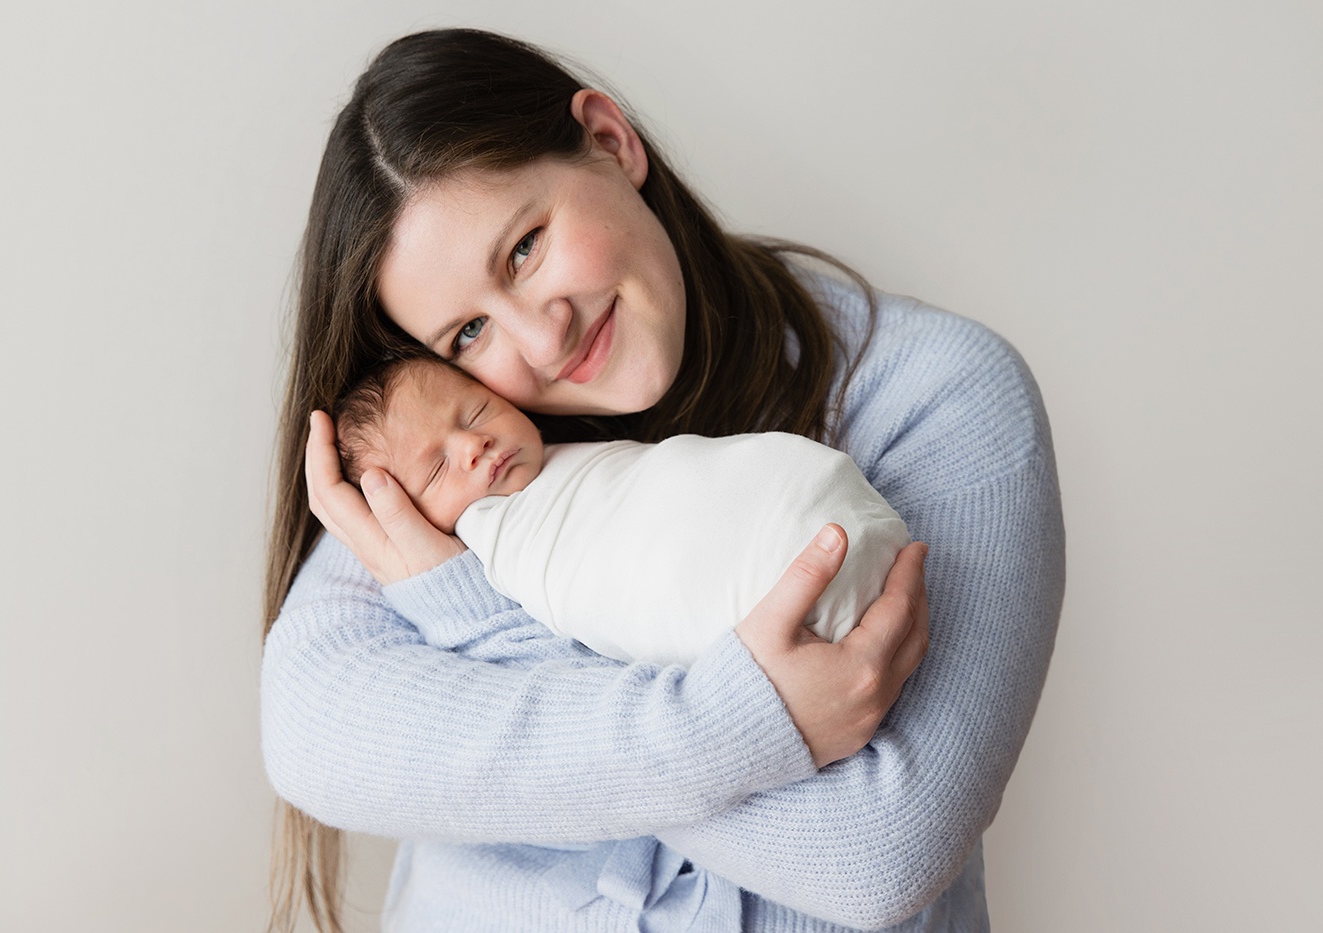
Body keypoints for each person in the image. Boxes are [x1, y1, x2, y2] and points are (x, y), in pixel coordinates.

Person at [260, 26, 1064, 933]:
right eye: (468, 334)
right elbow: (313, 732)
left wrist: (484, 658)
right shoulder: (460, 452)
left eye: (523, 249)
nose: (541, 337)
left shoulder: (935, 396)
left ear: (610, 139)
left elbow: (878, 851)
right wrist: (747, 723)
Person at [332, 352, 910, 666]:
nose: (472, 444)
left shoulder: (564, 449)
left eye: (477, 411)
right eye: (435, 470)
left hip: (813, 508)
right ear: (403, 516)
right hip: (774, 603)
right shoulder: (487, 537)